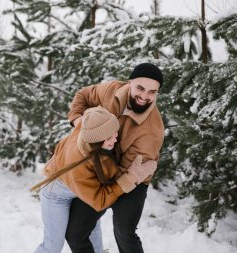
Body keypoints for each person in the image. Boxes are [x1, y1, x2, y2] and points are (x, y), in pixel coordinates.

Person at [65, 62, 165, 253]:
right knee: (75, 233)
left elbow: (125, 173)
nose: (145, 96)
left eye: (152, 92)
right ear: (130, 83)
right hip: (102, 165)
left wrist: (106, 189)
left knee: (124, 231)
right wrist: (79, 122)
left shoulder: (152, 131)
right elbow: (83, 95)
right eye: (140, 88)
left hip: (133, 176)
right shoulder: (112, 90)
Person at [31, 106, 158, 253]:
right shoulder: (79, 166)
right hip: (56, 195)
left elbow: (89, 109)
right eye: (109, 137)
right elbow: (100, 200)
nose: (115, 138)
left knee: (90, 233)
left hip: (81, 190)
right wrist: (129, 179)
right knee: (53, 246)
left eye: (114, 132)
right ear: (96, 140)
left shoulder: (89, 127)